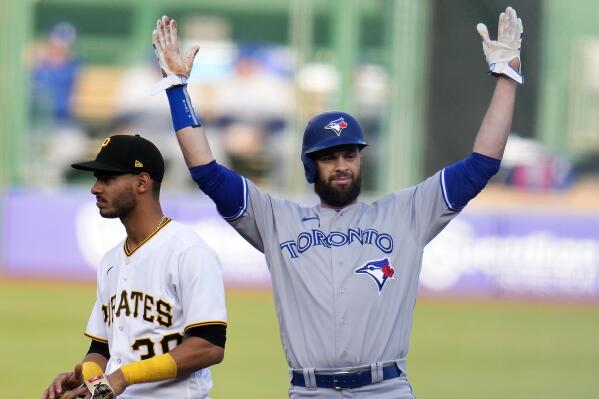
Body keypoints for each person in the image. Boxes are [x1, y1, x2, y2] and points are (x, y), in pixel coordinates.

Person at [151, 6, 522, 398]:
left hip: (386, 388)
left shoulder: (407, 212)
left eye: (350, 154)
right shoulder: (276, 219)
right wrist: (177, 88)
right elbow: (207, 172)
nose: (342, 165)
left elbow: (482, 165)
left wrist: (507, 76)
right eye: (329, 157)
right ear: (311, 167)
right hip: (310, 391)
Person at [42, 134, 227, 399]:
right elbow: (102, 348)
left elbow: (209, 345)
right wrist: (93, 386)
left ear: (142, 182)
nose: (95, 188)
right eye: (96, 179)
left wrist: (124, 376)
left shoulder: (189, 251)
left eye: (107, 179)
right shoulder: (110, 261)